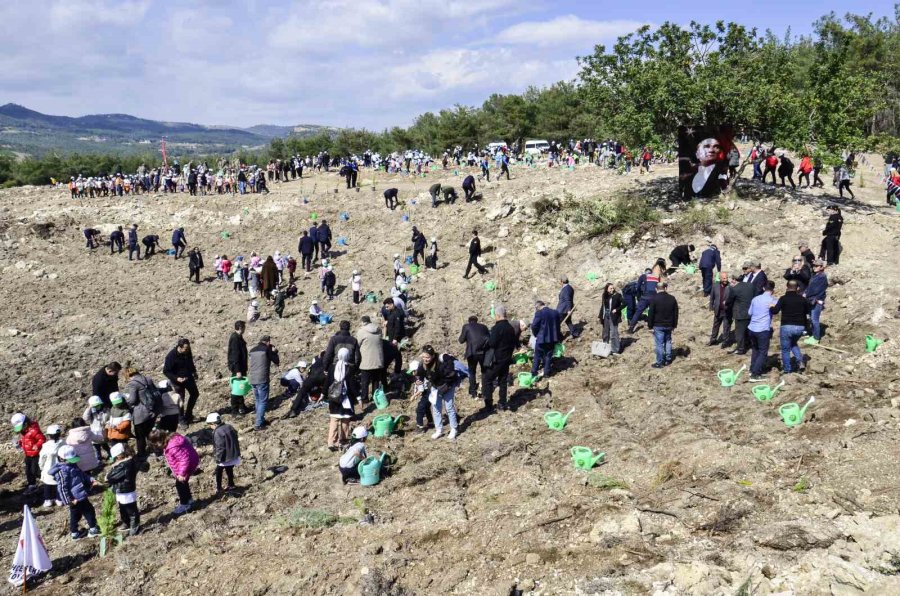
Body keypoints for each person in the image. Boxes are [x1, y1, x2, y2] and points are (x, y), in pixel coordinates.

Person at [50, 445, 101, 540]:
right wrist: (69, 500)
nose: (73, 461)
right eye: (71, 460)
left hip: (80, 494)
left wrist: (91, 479)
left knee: (76, 515)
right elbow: (62, 488)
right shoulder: (62, 472)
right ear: (62, 459)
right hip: (75, 498)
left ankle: (75, 533)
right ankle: (93, 529)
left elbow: (82, 474)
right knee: (89, 511)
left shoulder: (72, 465)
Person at [414, 346, 460, 440]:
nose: (425, 359)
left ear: (433, 356)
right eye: (423, 357)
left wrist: (447, 382)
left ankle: (454, 429)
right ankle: (439, 430)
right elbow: (419, 375)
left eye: (427, 357)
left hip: (447, 386)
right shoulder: (422, 364)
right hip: (435, 387)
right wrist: (418, 380)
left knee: (449, 407)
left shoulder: (441, 360)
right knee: (436, 408)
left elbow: (451, 367)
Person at [149, 429, 199, 515]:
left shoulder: (173, 446)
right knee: (183, 482)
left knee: (180, 484)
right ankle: (189, 500)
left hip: (187, 464)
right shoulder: (171, 440)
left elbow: (184, 460)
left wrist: (181, 473)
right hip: (189, 461)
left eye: (156, 443)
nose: (156, 446)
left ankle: (185, 504)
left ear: (160, 440)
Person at [481, 305, 518, 411]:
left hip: (497, 359)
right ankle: (502, 403)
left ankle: (489, 405)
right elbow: (513, 343)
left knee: (487, 379)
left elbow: (492, 343)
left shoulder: (496, 328)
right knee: (503, 381)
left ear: (498, 315)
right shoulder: (511, 328)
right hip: (506, 359)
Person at [104, 443, 145, 536]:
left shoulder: (125, 464)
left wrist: (107, 477)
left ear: (120, 455)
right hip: (121, 490)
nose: (115, 459)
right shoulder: (125, 462)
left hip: (125, 490)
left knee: (131, 510)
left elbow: (111, 477)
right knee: (123, 508)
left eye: (115, 457)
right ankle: (126, 523)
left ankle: (135, 527)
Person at [771, 280, 810, 374]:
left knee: (785, 349)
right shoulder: (803, 299)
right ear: (798, 288)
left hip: (787, 326)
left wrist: (771, 306)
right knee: (793, 343)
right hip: (800, 327)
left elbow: (775, 311)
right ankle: (800, 361)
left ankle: (787, 370)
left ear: (787, 287)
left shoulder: (783, 298)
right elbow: (807, 313)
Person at [123, 367, 159, 458]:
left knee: (140, 436)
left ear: (128, 375)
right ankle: (155, 450)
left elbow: (132, 400)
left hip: (141, 414)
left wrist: (125, 398)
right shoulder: (148, 379)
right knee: (150, 432)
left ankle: (141, 454)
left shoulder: (133, 384)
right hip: (152, 410)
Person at [326, 347, 358, 450]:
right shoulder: (349, 368)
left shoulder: (332, 367)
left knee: (334, 420)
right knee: (345, 420)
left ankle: (332, 442)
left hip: (334, 398)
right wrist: (358, 396)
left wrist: (323, 394)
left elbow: (327, 382)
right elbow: (352, 384)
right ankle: (343, 440)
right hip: (345, 398)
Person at [163, 338, 200, 425]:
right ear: (180, 347)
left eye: (188, 348)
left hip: (188, 377)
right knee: (181, 400)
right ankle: (181, 419)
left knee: (195, 394)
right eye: (185, 349)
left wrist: (194, 372)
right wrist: (176, 378)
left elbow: (190, 361)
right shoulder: (171, 356)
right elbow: (166, 371)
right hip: (177, 381)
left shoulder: (187, 351)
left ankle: (189, 415)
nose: (187, 350)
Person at [747, 281, 777, 382]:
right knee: (763, 352)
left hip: (752, 328)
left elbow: (749, 312)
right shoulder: (773, 300)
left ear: (764, 288)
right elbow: (776, 311)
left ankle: (752, 369)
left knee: (755, 349)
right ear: (773, 290)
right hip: (763, 329)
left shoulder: (755, 299)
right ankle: (755, 374)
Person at [249, 335, 279, 430]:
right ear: (268, 342)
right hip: (262, 379)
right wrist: (275, 352)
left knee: (258, 400)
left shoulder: (252, 350)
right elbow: (277, 361)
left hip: (253, 378)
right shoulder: (266, 350)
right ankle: (258, 424)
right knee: (262, 401)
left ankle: (260, 419)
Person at [10, 413, 45, 493]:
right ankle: (32, 485)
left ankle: (46, 481)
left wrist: (37, 445)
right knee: (28, 471)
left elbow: (42, 438)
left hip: (35, 454)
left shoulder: (34, 430)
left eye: (21, 427)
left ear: (26, 423)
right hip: (28, 454)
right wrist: (19, 443)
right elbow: (26, 441)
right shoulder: (24, 431)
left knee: (35, 470)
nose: (20, 430)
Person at [207, 413, 240, 494]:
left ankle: (219, 488)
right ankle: (231, 484)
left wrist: (218, 458)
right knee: (229, 469)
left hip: (225, 456)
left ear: (213, 423)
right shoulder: (229, 426)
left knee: (218, 471)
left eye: (209, 425)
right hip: (233, 454)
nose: (209, 427)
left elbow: (220, 447)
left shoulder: (217, 432)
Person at [647, 282, 678, 368]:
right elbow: (676, 313)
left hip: (658, 325)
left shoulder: (654, 299)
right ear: (665, 288)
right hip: (669, 324)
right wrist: (674, 325)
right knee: (668, 341)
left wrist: (650, 326)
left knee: (659, 344)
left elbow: (651, 314)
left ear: (656, 289)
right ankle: (668, 360)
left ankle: (659, 362)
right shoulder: (672, 298)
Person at [458, 315, 490, 399]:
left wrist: (464, 335)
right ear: (477, 320)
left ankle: (473, 393)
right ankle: (484, 392)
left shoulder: (466, 326)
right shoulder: (484, 327)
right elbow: (489, 338)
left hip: (472, 353)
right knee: (484, 372)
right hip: (483, 352)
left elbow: (461, 340)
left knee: (472, 372)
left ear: (469, 321)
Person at [357, 315, 385, 404]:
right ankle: (375, 397)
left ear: (363, 322)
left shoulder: (361, 331)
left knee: (365, 382)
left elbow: (357, 344)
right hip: (378, 360)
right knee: (376, 380)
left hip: (366, 361)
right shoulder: (378, 329)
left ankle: (364, 398)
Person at [530, 301, 562, 379]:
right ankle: (546, 373)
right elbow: (558, 326)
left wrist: (536, 334)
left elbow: (534, 325)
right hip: (552, 339)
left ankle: (534, 372)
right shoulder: (555, 312)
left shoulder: (539, 313)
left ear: (537, 307)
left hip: (541, 338)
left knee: (537, 355)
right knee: (548, 356)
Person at [725, 269, 754, 354]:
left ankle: (740, 349)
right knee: (748, 331)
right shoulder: (750, 286)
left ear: (734, 279)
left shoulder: (734, 289)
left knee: (739, 333)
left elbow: (729, 301)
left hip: (740, 314)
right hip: (750, 312)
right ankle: (749, 345)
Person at [627, 266, 661, 333]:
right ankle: (653, 327)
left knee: (638, 312)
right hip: (654, 297)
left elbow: (638, 287)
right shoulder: (656, 277)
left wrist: (638, 297)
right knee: (653, 312)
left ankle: (631, 329)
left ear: (645, 272)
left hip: (645, 297)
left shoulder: (643, 276)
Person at [38, 424, 64, 508]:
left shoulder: (46, 446)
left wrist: (41, 467)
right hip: (61, 467)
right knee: (59, 484)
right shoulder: (63, 443)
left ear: (49, 436)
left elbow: (42, 458)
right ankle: (59, 499)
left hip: (48, 468)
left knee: (47, 485)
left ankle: (48, 499)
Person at [227, 321, 249, 414]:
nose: (245, 329)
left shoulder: (238, 337)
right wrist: (237, 370)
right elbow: (235, 356)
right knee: (236, 389)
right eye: (244, 327)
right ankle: (234, 410)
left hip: (240, 367)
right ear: (240, 328)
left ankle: (242, 406)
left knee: (240, 387)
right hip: (238, 368)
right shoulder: (235, 338)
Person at [805, 259, 828, 343]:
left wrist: (806, 295)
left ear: (821, 267)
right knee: (812, 319)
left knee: (815, 320)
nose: (814, 267)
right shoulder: (816, 275)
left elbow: (816, 290)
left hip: (816, 301)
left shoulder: (822, 276)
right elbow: (810, 287)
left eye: (816, 266)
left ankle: (816, 338)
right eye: (814, 266)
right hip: (812, 300)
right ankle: (814, 335)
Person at [708, 271, 732, 346]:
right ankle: (713, 339)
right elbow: (712, 297)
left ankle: (725, 342)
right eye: (724, 278)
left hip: (727, 311)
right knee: (715, 325)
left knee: (726, 327)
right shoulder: (715, 285)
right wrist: (711, 306)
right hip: (718, 310)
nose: (726, 280)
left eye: (727, 278)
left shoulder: (731, 286)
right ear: (720, 278)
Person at [599, 283, 623, 355]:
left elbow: (625, 303)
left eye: (613, 288)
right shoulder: (605, 295)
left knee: (614, 333)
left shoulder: (617, 295)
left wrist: (617, 309)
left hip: (613, 317)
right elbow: (603, 306)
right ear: (607, 289)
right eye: (610, 288)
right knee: (605, 333)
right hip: (606, 316)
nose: (612, 290)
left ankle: (615, 349)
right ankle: (605, 347)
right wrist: (600, 316)